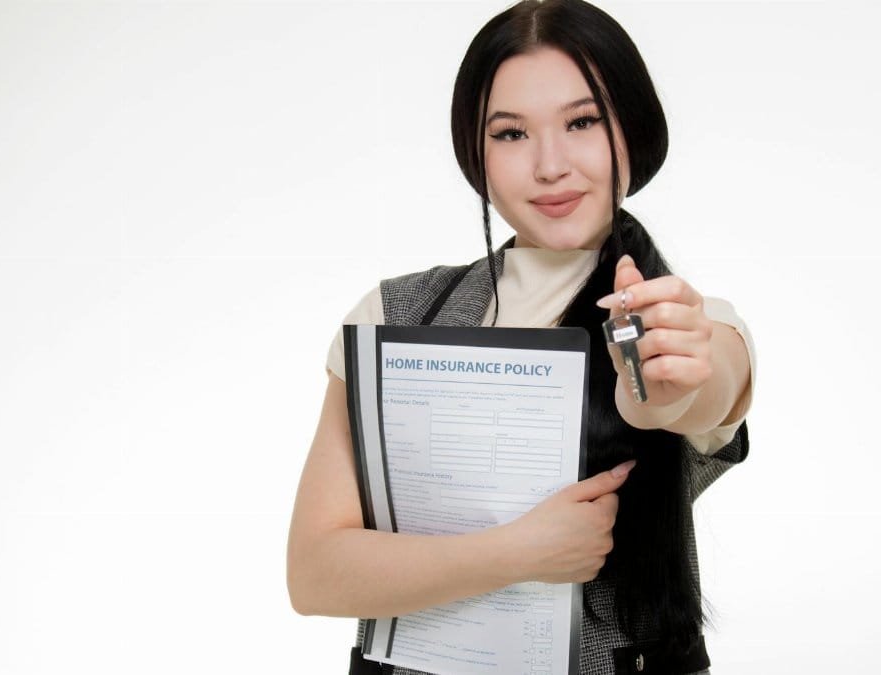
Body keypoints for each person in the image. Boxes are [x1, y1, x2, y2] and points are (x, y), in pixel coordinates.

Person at [287, 1, 757, 673]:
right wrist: (519, 550)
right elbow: (314, 573)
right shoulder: (393, 317)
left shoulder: (692, 321)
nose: (550, 164)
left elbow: (697, 390)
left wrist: (667, 384)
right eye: (511, 134)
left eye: (582, 122)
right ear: (475, 152)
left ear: (630, 128)